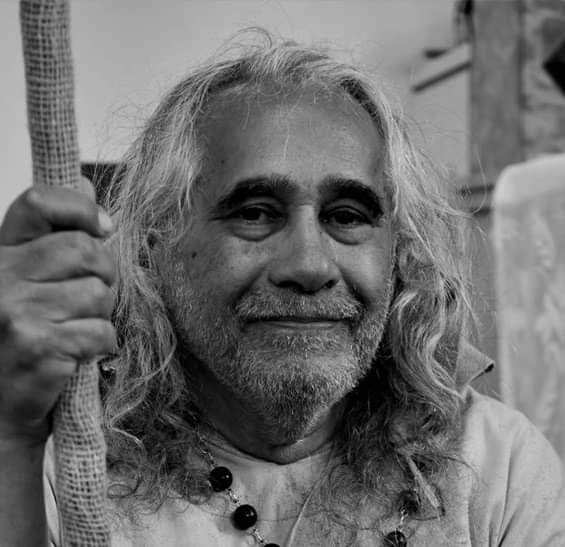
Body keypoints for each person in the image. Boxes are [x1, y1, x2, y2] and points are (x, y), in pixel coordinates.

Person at [1, 31, 564, 547]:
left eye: (347, 216)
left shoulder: (495, 469)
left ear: (399, 250)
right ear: (154, 247)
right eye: (254, 213)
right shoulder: (58, 465)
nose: (310, 265)